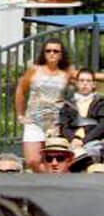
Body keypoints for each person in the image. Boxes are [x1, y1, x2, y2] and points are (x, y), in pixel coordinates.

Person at [16, 38, 78, 172]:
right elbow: (21, 90)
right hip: (33, 121)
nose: (52, 53)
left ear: (61, 54)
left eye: (56, 51)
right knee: (32, 160)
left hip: (55, 124)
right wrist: (20, 115)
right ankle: (45, 183)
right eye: (48, 50)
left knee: (55, 160)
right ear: (43, 53)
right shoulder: (34, 70)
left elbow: (88, 78)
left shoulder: (66, 73)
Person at [59, 70, 104, 149]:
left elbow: (102, 126)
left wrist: (84, 141)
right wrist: (73, 139)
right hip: (71, 141)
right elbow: (64, 126)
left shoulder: (100, 103)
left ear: (94, 84)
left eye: (88, 81)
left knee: (91, 150)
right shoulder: (68, 104)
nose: (85, 83)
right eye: (81, 80)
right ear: (77, 83)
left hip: (93, 141)